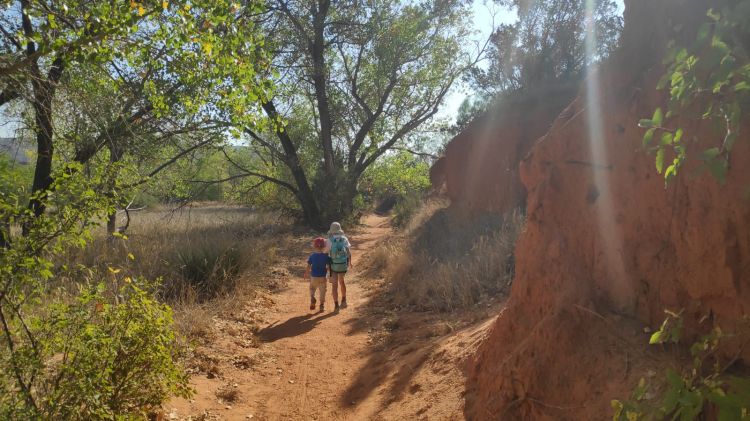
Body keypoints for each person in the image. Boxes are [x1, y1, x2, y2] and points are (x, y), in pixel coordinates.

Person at [326, 222, 352, 310]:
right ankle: (344, 300)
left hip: (333, 265)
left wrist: (326, 265)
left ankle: (336, 305)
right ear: (340, 229)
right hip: (342, 265)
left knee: (334, 285)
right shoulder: (344, 239)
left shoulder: (329, 240)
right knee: (342, 282)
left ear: (331, 230)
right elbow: (348, 252)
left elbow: (326, 253)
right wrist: (350, 263)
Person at [304, 237, 330, 312]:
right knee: (323, 291)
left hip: (314, 276)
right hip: (322, 277)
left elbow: (308, 266)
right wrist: (329, 275)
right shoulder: (326, 256)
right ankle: (321, 305)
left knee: (312, 288)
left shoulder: (312, 256)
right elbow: (328, 267)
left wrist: (306, 273)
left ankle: (312, 297)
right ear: (324, 246)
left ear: (315, 246)